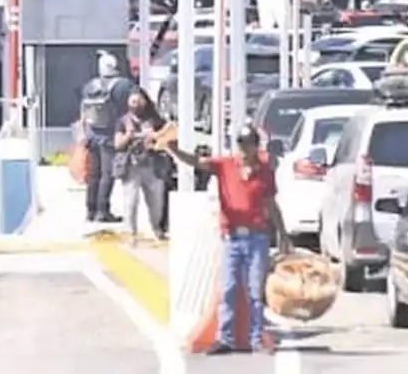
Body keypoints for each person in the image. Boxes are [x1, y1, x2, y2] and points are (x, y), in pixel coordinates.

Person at [163, 125, 290, 355]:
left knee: (254, 290)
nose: (244, 149)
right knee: (229, 288)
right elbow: (197, 162)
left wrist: (283, 233)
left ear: (255, 146)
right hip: (232, 237)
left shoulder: (264, 172)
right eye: (241, 144)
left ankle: (256, 338)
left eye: (249, 143)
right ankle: (226, 338)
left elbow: (271, 204)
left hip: (257, 237)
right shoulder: (225, 165)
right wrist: (175, 151)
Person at [79, 52, 134, 223]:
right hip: (110, 135)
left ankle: (90, 209)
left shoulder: (90, 85)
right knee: (107, 174)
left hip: (92, 134)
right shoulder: (123, 85)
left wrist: (84, 132)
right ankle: (103, 211)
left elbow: (82, 110)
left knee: (93, 174)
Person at [114, 88, 169, 244]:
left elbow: (168, 136)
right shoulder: (123, 121)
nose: (136, 105)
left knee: (156, 201)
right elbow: (118, 144)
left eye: (139, 101)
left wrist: (155, 138)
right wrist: (129, 135)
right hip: (131, 166)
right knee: (130, 200)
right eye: (133, 101)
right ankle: (131, 231)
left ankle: (157, 229)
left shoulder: (156, 120)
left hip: (153, 165)